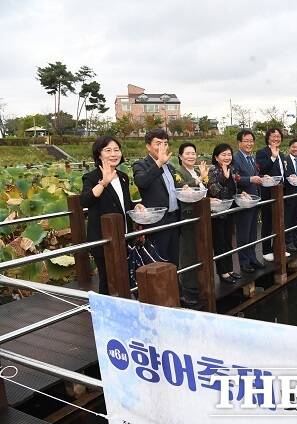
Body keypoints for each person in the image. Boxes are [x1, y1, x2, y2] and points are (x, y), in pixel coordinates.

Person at [80, 136, 142, 294]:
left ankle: (124, 310)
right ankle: (105, 314)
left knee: (125, 277)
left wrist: (137, 205)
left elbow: (124, 203)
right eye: (108, 150)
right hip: (104, 239)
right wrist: (103, 183)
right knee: (107, 281)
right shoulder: (92, 177)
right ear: (99, 155)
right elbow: (85, 201)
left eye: (116, 150)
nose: (113, 154)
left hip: (124, 237)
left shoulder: (122, 177)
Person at [132, 128, 180, 266]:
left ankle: (175, 286)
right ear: (148, 146)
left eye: (165, 143)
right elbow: (142, 181)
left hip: (174, 219)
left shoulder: (170, 167)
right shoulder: (140, 165)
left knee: (174, 259)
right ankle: (163, 288)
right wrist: (158, 162)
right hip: (157, 221)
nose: (162, 147)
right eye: (158, 143)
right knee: (159, 261)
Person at [175, 142, 208, 306]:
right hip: (188, 216)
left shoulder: (196, 171)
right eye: (187, 153)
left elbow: (205, 187)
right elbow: (181, 188)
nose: (191, 156)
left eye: (193, 153)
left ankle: (200, 281)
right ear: (180, 156)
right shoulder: (178, 172)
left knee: (200, 249)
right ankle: (189, 286)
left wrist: (202, 177)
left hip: (201, 216)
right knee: (188, 250)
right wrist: (200, 179)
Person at [207, 143, 241, 284]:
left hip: (229, 210)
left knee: (228, 241)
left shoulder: (231, 169)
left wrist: (241, 193)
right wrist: (224, 178)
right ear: (216, 157)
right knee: (219, 242)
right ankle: (222, 272)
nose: (227, 157)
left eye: (229, 154)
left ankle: (230, 269)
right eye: (223, 155)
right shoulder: (213, 170)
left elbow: (233, 189)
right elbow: (214, 191)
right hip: (218, 212)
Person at [233, 130, 265, 273]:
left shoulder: (251, 158)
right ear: (239, 143)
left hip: (254, 199)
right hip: (243, 200)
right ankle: (244, 262)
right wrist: (250, 179)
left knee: (252, 232)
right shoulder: (235, 158)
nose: (249, 143)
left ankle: (252, 258)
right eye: (246, 140)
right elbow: (235, 178)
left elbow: (255, 175)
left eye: (251, 140)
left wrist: (263, 177)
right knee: (243, 234)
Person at [255, 128, 289, 262]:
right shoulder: (262, 152)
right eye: (273, 136)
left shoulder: (281, 153)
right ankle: (266, 250)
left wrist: (288, 175)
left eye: (278, 136)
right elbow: (262, 169)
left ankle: (279, 247)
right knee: (268, 221)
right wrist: (273, 157)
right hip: (268, 192)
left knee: (280, 221)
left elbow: (281, 170)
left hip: (281, 190)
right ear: (268, 138)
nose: (276, 139)